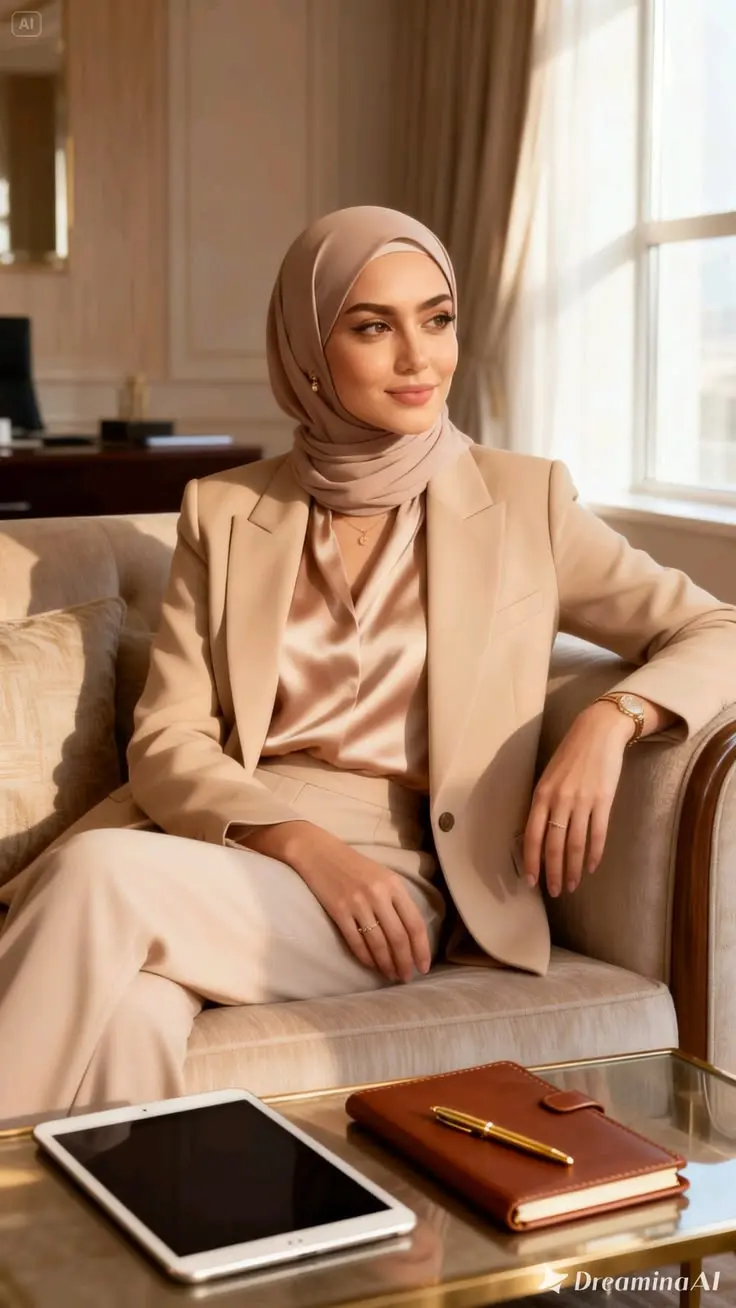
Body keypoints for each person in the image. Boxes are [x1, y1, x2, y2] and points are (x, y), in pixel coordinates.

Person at [0, 205, 735, 1124]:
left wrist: (609, 721)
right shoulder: (223, 511)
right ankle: (138, 1268)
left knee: (93, 876)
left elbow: (718, 627)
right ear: (309, 348)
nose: (418, 358)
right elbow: (169, 739)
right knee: (133, 1022)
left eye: (436, 319)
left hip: (394, 889)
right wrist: (301, 846)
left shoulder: (523, 501)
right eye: (372, 326)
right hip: (227, 850)